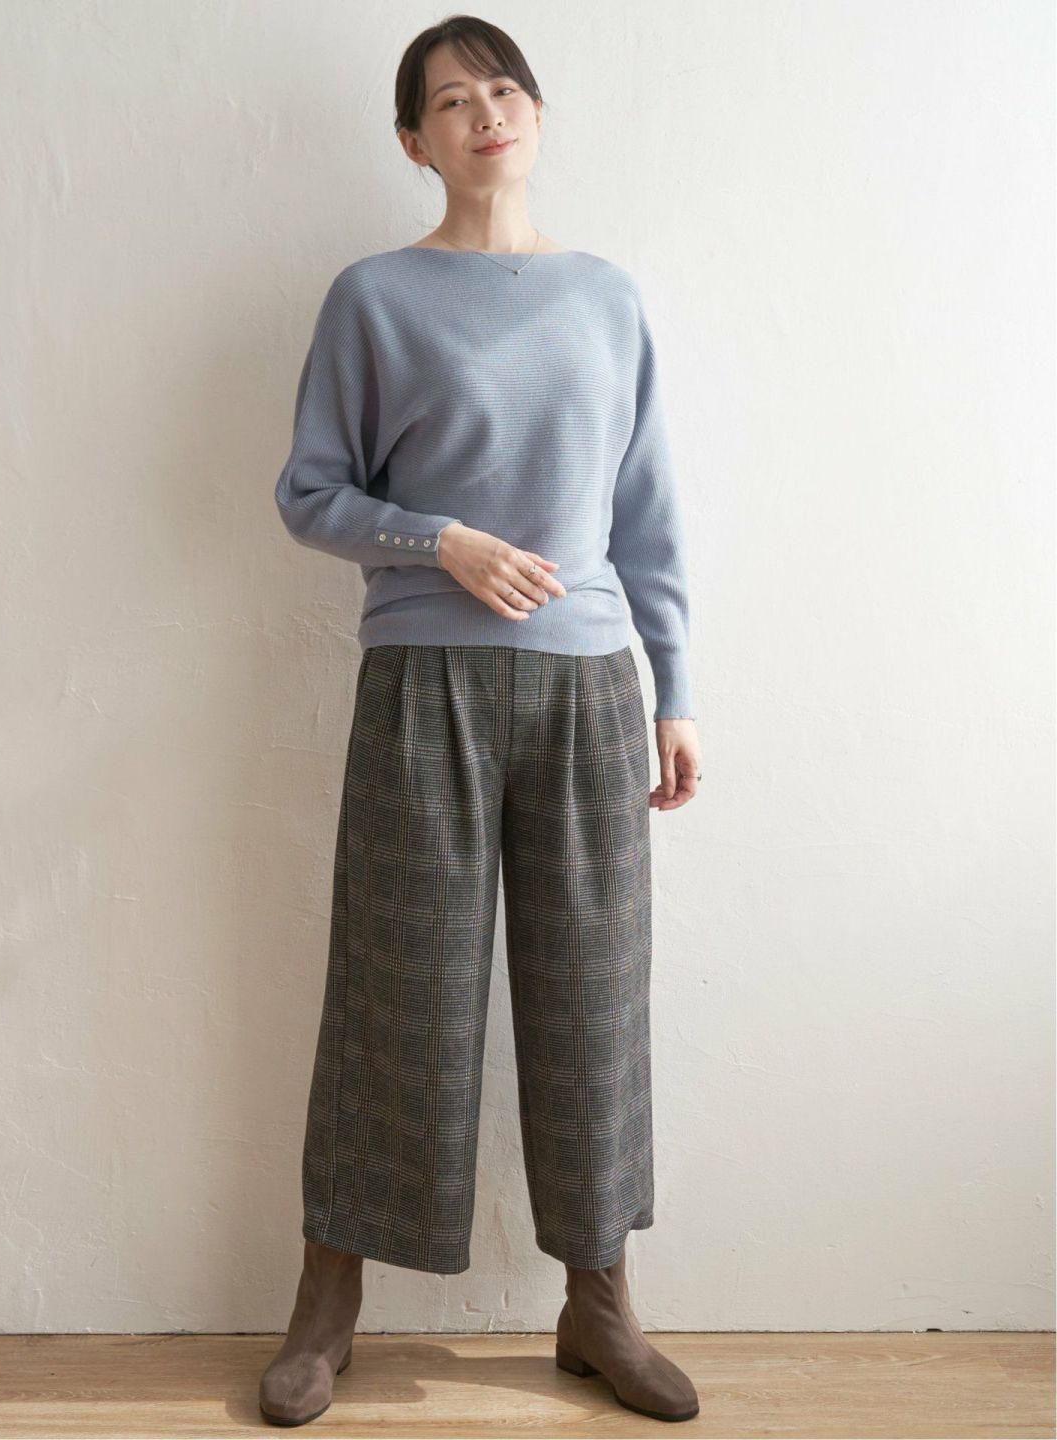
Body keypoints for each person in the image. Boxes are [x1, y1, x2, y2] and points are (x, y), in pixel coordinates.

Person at [260, 14, 702, 1428]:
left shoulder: (608, 299)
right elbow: (311, 493)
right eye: (450, 101)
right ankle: (328, 1300)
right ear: (415, 141)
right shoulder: (375, 297)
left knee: (593, 994)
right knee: (396, 990)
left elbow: (647, 514)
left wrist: (677, 688)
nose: (483, 112)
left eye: (502, 89)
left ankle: (599, 1302)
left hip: (588, 684)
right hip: (424, 683)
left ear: (538, 114)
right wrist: (439, 539)